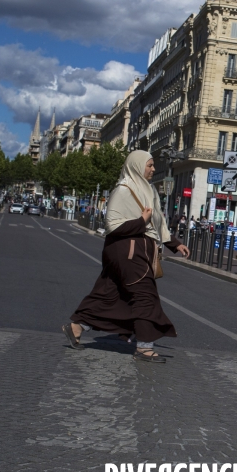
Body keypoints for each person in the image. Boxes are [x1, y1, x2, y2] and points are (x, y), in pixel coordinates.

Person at [62, 151, 190, 363]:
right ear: (137, 166)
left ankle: (76, 327)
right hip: (128, 252)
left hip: (135, 251)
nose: (153, 169)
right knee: (144, 296)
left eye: (153, 165)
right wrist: (141, 221)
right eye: (149, 165)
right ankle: (144, 348)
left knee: (111, 294)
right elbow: (112, 225)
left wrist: (174, 244)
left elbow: (157, 222)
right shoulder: (123, 190)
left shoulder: (148, 190)